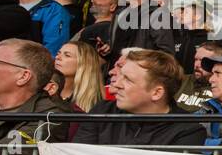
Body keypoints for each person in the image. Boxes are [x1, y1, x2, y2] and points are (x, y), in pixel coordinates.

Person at [73, 49, 207, 147]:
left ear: (156, 93)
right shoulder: (102, 111)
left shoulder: (188, 131)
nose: (117, 84)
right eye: (121, 76)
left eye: (128, 80)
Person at [53, 39, 104, 112]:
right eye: (58, 53)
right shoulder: (42, 89)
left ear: (84, 64)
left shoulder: (96, 102)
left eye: (67, 55)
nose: (57, 57)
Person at [177, 41, 222, 110]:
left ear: (217, 63)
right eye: (196, 59)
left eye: (203, 61)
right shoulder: (181, 80)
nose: (197, 65)